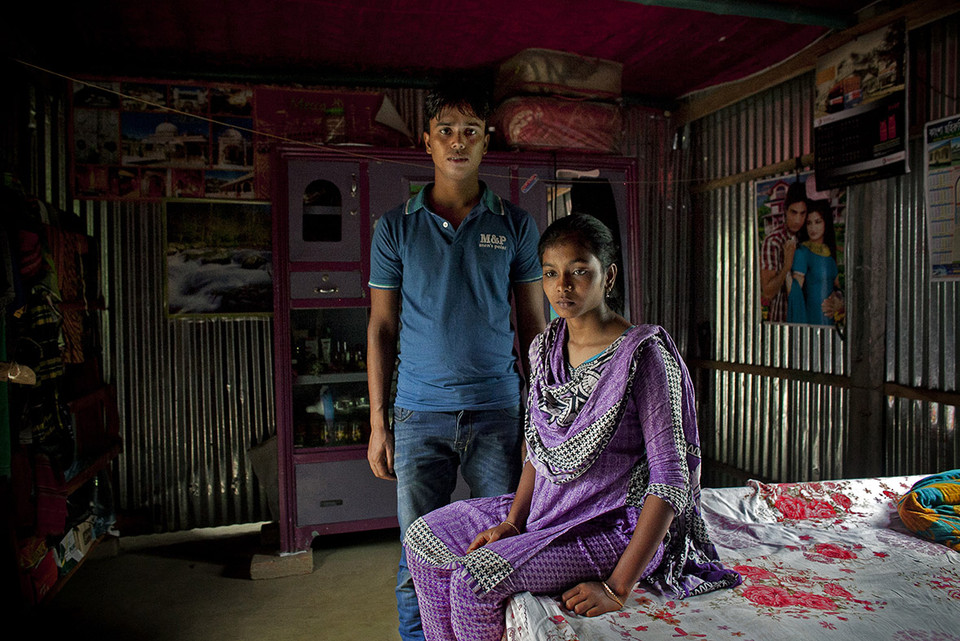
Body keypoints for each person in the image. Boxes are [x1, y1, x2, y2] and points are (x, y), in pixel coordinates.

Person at [403, 214, 741, 641]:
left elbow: (670, 482)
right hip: (548, 509)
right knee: (423, 540)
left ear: (608, 276)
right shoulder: (546, 347)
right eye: (550, 273)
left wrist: (617, 588)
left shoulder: (643, 356)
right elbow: (538, 449)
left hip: (612, 526)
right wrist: (513, 523)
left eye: (579, 271)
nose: (562, 286)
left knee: (475, 581)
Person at [366, 79, 546, 641]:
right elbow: (381, 328)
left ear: (487, 141)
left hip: (498, 413)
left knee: (503, 550)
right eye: (446, 130)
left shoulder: (514, 225)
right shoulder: (395, 227)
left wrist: (540, 417)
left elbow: (534, 327)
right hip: (419, 416)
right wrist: (378, 423)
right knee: (416, 559)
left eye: (471, 131)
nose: (458, 142)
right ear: (427, 141)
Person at [760, 181, 808, 322]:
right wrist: (787, 266)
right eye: (793, 212)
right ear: (785, 210)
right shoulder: (773, 241)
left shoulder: (807, 238)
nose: (798, 220)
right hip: (782, 323)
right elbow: (768, 293)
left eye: (802, 213)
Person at [787, 199, 841, 325]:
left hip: (830, 321)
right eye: (809, 223)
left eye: (817, 222)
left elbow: (839, 287)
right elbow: (794, 292)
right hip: (811, 322)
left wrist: (838, 300)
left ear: (826, 223)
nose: (813, 228)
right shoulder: (802, 252)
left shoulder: (830, 253)